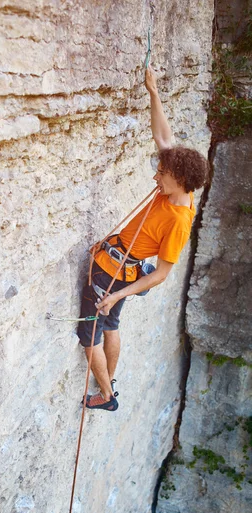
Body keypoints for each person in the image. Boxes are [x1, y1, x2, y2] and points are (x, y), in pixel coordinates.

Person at [77, 66, 209, 412]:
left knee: (88, 337)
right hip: (122, 270)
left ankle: (106, 395)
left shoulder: (179, 220)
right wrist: (153, 92)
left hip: (112, 274)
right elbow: (165, 140)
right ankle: (110, 383)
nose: (156, 177)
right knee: (110, 325)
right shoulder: (179, 192)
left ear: (180, 179)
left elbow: (163, 274)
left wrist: (116, 293)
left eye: (162, 174)